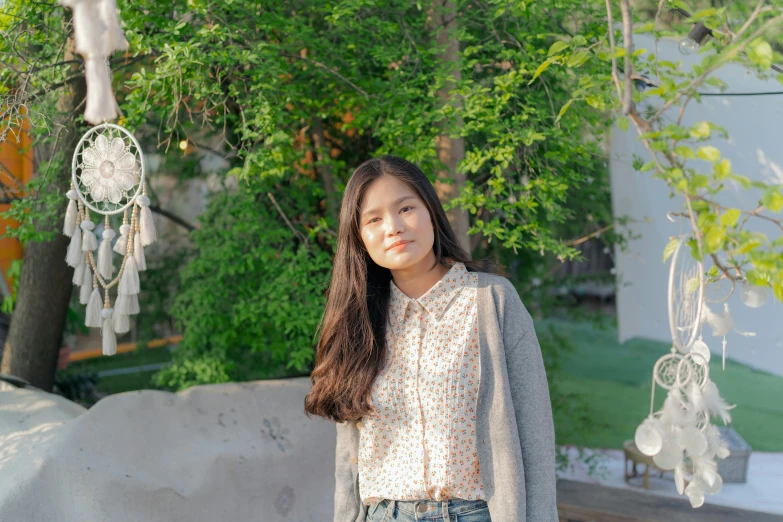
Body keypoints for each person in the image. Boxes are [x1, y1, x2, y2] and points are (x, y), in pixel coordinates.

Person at [304, 155, 557, 522]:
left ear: (431, 211)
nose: (393, 227)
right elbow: (349, 458)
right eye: (373, 219)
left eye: (405, 208)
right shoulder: (358, 321)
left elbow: (535, 434)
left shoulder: (491, 301)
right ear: (358, 237)